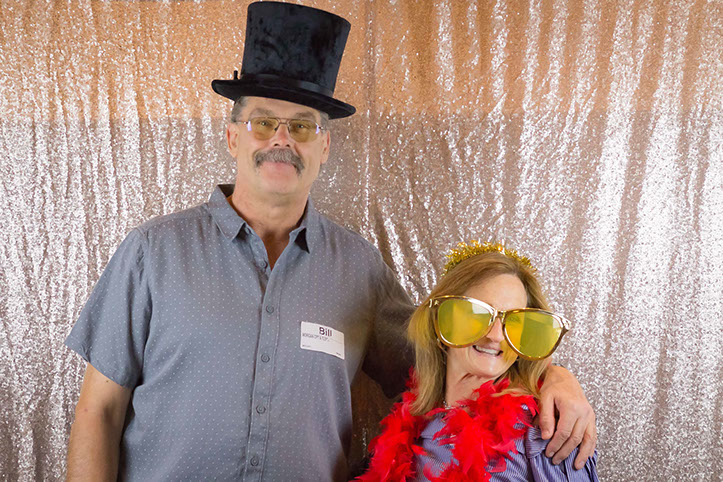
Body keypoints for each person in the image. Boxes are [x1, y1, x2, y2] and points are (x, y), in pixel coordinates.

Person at [64, 3, 596, 481]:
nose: (281, 139)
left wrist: (553, 377)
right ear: (231, 136)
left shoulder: (360, 269)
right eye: (263, 121)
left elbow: (455, 354)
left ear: (323, 149)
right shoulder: (152, 252)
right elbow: (98, 412)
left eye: (302, 127)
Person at [358, 241, 599, 481]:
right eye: (476, 314)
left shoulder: (546, 429)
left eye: (515, 322)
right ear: (440, 321)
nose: (496, 336)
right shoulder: (410, 426)